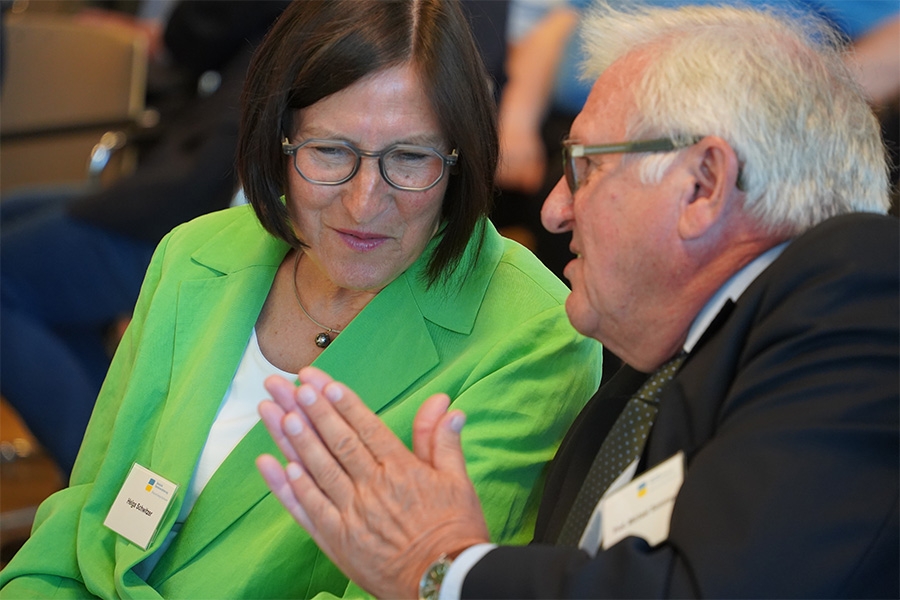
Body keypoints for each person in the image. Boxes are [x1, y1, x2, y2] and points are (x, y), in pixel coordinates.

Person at [254, 2, 899, 598]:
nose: (557, 211)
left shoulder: (864, 290)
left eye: (585, 167)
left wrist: (442, 565)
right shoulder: (626, 399)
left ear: (704, 183)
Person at [0, 0, 603, 597]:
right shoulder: (196, 254)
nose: (365, 203)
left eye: (410, 158)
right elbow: (84, 519)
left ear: (461, 159)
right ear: (278, 141)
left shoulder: (534, 336)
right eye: (330, 152)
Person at [0, 0, 291, 477]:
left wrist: (167, 36)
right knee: (13, 220)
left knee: (8, 276)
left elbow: (201, 26)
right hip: (187, 166)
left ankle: (100, 479)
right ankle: (112, 445)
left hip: (205, 195)